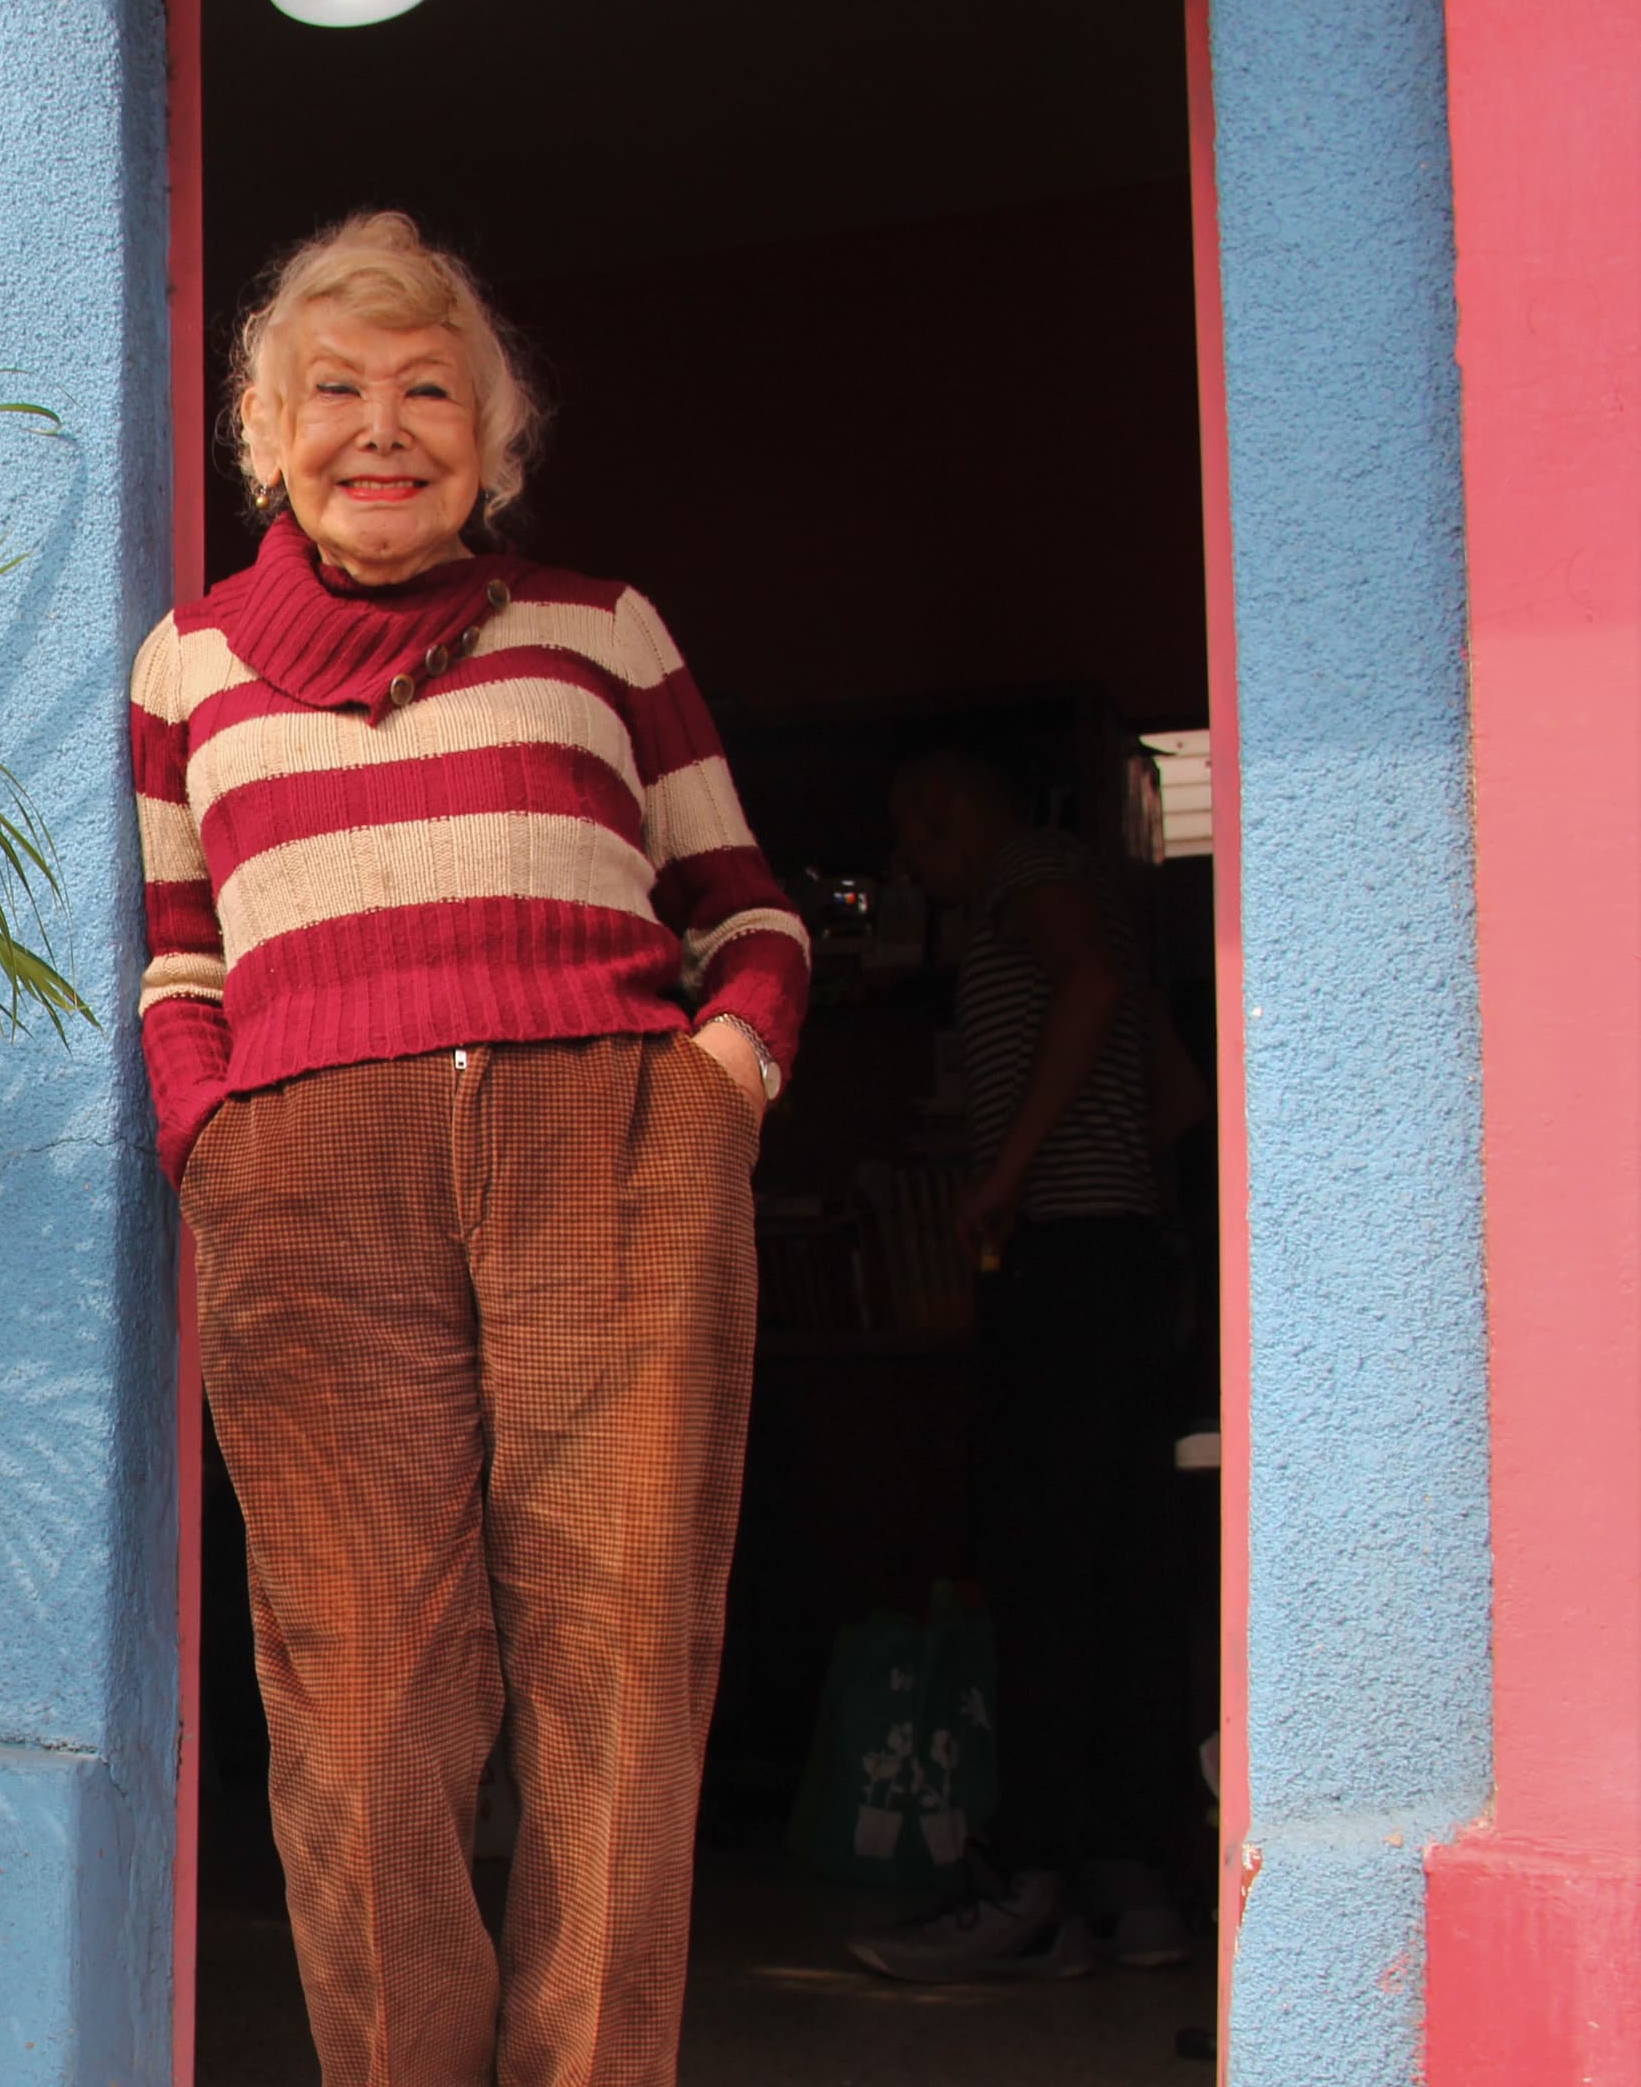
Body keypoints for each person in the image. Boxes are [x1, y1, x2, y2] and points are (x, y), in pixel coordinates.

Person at [136, 211, 809, 2087]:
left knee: (621, 1673)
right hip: (311, 1190)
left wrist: (720, 1084)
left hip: (610, 1155)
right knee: (358, 1714)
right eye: (334, 391)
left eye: (431, 393)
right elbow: (178, 949)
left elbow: (745, 904)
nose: (383, 428)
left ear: (492, 442)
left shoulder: (601, 629)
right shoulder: (186, 666)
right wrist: (214, 1135)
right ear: (265, 435)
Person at [848, 754, 1197, 1982]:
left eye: (913, 848)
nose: (914, 877)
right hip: (1118, 1260)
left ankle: (1028, 1879)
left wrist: (1007, 1179)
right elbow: (1176, 1090)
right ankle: (1123, 1878)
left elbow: (1092, 987)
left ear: (942, 805)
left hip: (1063, 1261)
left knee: (1044, 1569)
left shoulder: (1033, 878)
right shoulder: (1089, 888)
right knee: (1114, 1570)